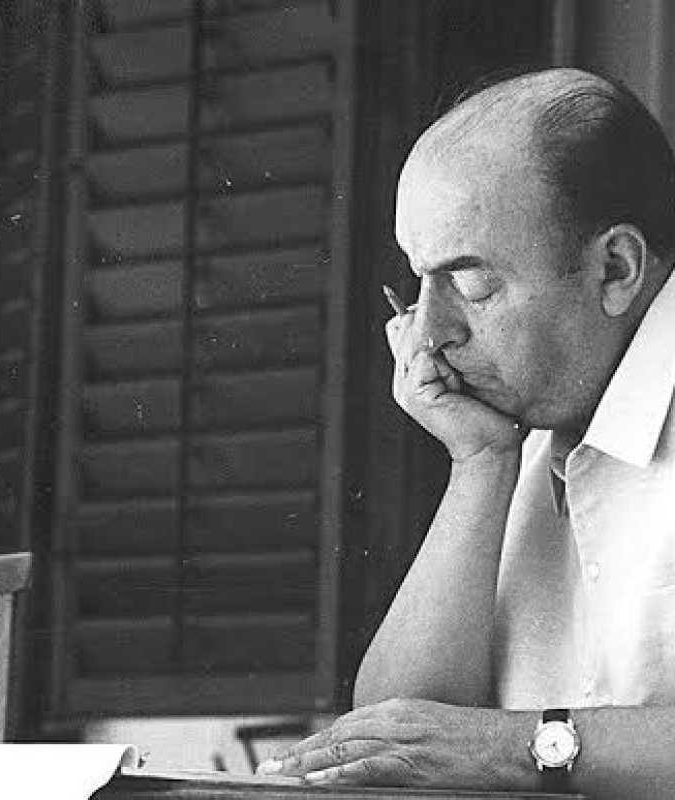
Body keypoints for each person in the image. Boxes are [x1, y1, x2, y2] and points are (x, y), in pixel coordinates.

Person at [257, 67, 675, 797]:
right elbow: (394, 743)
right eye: (416, 283)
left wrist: (518, 747)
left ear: (615, 268)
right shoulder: (537, 423)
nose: (426, 336)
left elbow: (461, 747)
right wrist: (480, 462)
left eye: (472, 284)